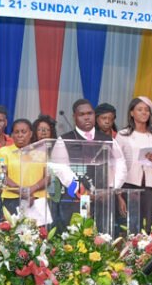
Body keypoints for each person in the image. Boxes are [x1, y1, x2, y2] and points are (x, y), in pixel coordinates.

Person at [49, 98, 127, 230]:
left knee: (102, 240)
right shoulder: (65, 139)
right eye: (82, 114)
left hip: (103, 200)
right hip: (75, 200)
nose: (86, 118)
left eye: (89, 114)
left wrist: (111, 188)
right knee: (78, 239)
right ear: (74, 117)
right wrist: (80, 189)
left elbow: (121, 165)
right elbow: (61, 169)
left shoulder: (108, 140)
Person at [116, 96, 152, 230]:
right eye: (140, 110)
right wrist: (118, 194)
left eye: (147, 110)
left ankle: (146, 250)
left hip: (151, 187)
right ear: (132, 113)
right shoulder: (123, 135)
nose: (144, 113)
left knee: (148, 226)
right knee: (130, 226)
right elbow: (116, 166)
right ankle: (130, 251)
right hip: (130, 185)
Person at [0, 119, 51, 225]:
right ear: (12, 135)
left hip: (37, 200)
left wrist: (31, 190)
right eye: (16, 132)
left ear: (30, 134)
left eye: (23, 132)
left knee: (38, 237)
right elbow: (2, 176)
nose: (20, 135)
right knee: (14, 236)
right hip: (12, 199)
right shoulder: (4, 152)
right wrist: (24, 192)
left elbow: (48, 178)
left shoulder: (42, 153)